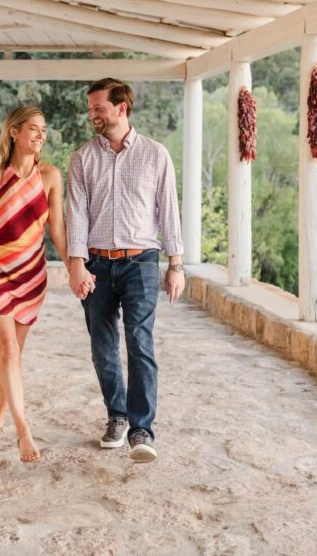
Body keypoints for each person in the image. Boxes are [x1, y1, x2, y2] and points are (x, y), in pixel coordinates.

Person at [66, 78, 185, 463]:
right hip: (96, 265)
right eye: (91, 109)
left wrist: (176, 264)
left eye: (99, 108)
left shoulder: (155, 154)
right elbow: (76, 216)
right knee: (102, 349)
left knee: (139, 342)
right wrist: (76, 265)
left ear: (122, 108)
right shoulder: (83, 158)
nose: (93, 115)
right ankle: (117, 416)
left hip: (141, 262)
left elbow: (168, 211)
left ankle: (141, 429)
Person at [0, 105, 68, 463]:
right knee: (8, 350)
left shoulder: (50, 176)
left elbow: (57, 231)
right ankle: (23, 431)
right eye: (34, 128)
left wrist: (74, 268)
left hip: (31, 275)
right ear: (14, 132)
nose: (41, 135)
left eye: (44, 129)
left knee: (13, 356)